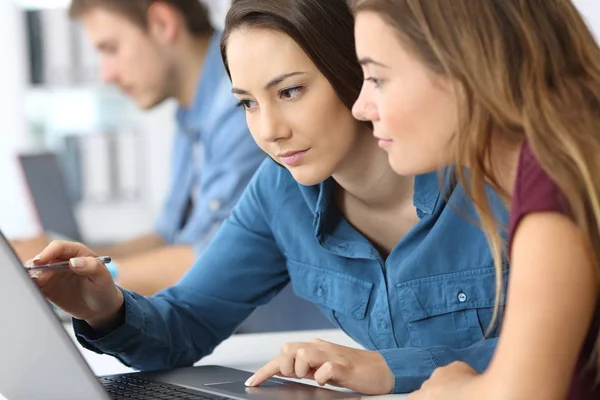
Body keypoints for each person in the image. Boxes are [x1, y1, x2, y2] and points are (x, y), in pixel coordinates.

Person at [30, 0, 509, 395]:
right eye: (248, 103)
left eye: (291, 91)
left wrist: (389, 367)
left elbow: (569, 348)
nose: (269, 131)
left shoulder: (496, 175)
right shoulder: (279, 190)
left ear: (356, 73)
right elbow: (187, 321)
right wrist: (104, 307)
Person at [350, 0, 600, 399]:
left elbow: (519, 394)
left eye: (377, 79)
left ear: (463, 69)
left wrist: (452, 390)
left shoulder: (552, 175)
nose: (360, 108)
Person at [15, 0, 266, 296]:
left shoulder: (240, 103)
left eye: (110, 49)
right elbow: (167, 238)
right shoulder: (192, 116)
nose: (106, 74)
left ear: (162, 23)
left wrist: (75, 275)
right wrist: (64, 259)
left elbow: (213, 262)